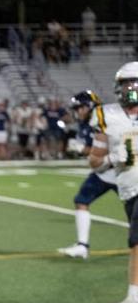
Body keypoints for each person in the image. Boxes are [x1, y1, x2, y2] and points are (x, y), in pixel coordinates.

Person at [87, 63, 138, 303]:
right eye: (126, 83)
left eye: (134, 83)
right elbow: (94, 161)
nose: (130, 89)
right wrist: (111, 158)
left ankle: (134, 300)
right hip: (128, 188)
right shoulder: (106, 115)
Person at [58, 90, 117, 259]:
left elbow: (105, 150)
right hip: (102, 173)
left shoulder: (105, 122)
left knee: (133, 212)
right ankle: (82, 245)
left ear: (89, 106)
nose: (77, 112)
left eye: (79, 108)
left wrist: (81, 149)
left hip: (120, 173)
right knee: (81, 200)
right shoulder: (86, 124)